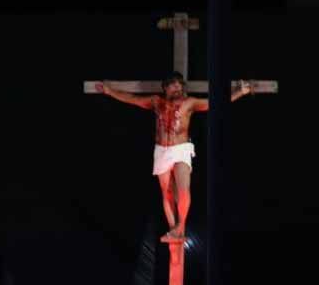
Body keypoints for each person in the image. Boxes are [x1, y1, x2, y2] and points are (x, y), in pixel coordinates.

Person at [96, 73, 252, 242]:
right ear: (165, 88)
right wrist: (109, 91)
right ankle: (173, 229)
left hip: (181, 148)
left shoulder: (189, 102)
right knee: (167, 192)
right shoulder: (156, 102)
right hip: (161, 150)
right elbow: (131, 98)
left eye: (179, 84)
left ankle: (180, 225)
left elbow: (215, 103)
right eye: (173, 84)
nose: (177, 87)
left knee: (184, 189)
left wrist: (239, 92)